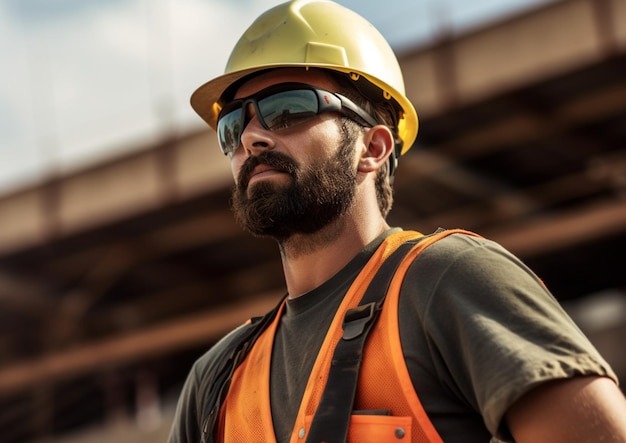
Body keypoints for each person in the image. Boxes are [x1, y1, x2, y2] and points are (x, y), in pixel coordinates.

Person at [168, 1, 626, 442]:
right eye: (233, 125)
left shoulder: (447, 280)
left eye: (287, 109)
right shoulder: (216, 380)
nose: (251, 137)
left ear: (373, 148)